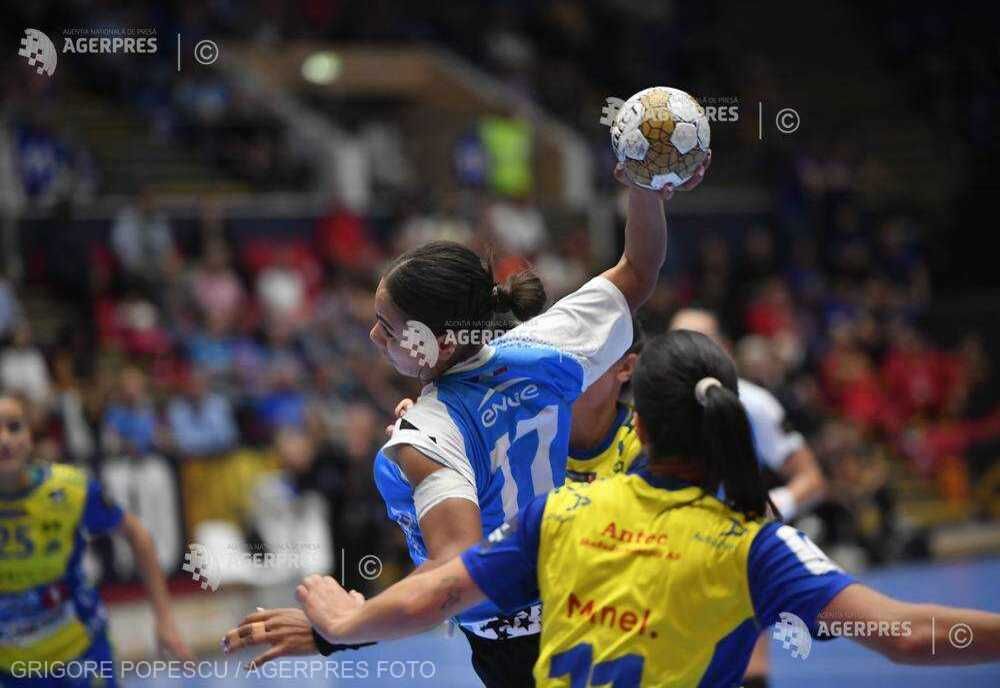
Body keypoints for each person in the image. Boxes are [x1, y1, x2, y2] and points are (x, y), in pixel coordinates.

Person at [226, 331, 1000, 686]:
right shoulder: (757, 547)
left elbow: (447, 587)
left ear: (639, 420)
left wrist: (345, 627)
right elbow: (904, 635)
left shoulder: (562, 513)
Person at [223, 155, 711, 685]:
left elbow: (456, 571)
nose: (375, 337)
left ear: (443, 341)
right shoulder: (545, 346)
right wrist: (646, 189)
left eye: (389, 328)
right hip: (587, 610)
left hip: (521, 652)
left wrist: (342, 626)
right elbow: (640, 269)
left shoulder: (428, 432)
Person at [669, 307, 827, 686]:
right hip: (669, 559)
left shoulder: (752, 403)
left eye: (700, 343)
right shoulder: (652, 407)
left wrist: (764, 511)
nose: (689, 354)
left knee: (746, 670)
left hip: (733, 556)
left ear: (723, 348)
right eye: (679, 344)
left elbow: (811, 478)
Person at [0, 393, 192, 687]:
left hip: (82, 654)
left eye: (14, 427)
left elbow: (137, 535)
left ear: (31, 432)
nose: (5, 440)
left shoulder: (69, 489)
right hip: (12, 671)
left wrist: (165, 620)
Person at [563, 318, 645, 483]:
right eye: (560, 350)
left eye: (583, 351)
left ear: (625, 367)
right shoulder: (526, 431)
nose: (564, 364)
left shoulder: (644, 442)